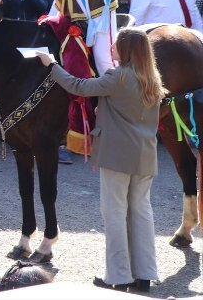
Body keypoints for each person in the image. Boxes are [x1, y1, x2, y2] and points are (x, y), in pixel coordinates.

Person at [34, 28, 164, 293]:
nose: (112, 48)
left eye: (116, 45)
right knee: (141, 212)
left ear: (125, 50)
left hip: (117, 154)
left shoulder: (117, 77)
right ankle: (144, 275)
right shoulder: (152, 79)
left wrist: (53, 65)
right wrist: (105, 109)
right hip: (145, 154)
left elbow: (77, 86)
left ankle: (118, 276)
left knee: (115, 213)